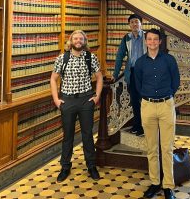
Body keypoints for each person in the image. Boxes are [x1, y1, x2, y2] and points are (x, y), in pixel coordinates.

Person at [50, 30, 103, 183]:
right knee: (68, 136)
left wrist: (97, 96)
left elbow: (99, 77)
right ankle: (65, 166)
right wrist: (56, 99)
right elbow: (53, 79)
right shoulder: (62, 58)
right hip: (67, 101)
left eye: (81, 38)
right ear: (71, 41)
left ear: (85, 41)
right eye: (75, 38)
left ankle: (91, 166)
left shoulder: (90, 57)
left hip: (86, 100)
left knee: (87, 134)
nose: (78, 41)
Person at [135, 29, 180, 199]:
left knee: (167, 148)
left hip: (166, 106)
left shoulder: (169, 60)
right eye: (149, 39)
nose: (152, 42)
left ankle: (168, 186)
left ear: (160, 42)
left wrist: (165, 95)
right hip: (147, 106)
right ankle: (155, 183)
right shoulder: (140, 63)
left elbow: (175, 82)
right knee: (151, 148)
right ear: (145, 42)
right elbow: (138, 85)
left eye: (155, 39)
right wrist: (147, 97)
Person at [112, 14, 147, 136]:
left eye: (136, 22)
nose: (134, 24)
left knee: (147, 101)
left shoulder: (148, 36)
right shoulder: (126, 38)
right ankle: (138, 126)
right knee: (135, 102)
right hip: (132, 73)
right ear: (129, 25)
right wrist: (115, 74)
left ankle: (147, 127)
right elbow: (119, 56)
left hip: (146, 73)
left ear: (141, 24)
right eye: (132, 22)